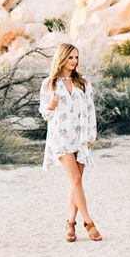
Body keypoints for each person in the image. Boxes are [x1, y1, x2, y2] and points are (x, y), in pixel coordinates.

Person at [39, 43, 102, 242]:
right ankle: (89, 223)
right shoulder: (49, 84)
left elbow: (90, 110)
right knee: (75, 179)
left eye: (76, 58)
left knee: (76, 183)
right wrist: (53, 103)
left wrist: (90, 137)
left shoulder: (84, 82)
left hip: (81, 137)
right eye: (70, 58)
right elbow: (45, 113)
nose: (74, 61)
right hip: (61, 138)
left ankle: (70, 224)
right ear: (62, 58)